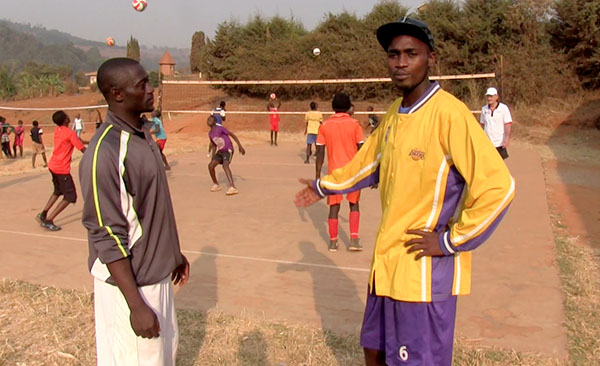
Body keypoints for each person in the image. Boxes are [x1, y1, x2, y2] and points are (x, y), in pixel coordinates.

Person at [295, 17, 515, 366]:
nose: (400, 63)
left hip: (423, 275)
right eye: (393, 54)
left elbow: (499, 186)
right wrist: (324, 186)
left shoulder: (451, 115)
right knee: (374, 352)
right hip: (387, 267)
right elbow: (367, 163)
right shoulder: (396, 113)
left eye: (411, 53)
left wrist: (449, 241)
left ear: (431, 58)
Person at [79, 57, 189, 365]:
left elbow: (150, 208)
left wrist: (172, 253)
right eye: (142, 85)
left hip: (156, 277)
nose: (151, 90)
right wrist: (135, 305)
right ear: (117, 94)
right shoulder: (105, 153)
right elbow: (106, 233)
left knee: (162, 358)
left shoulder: (142, 134)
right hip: (131, 286)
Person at [315, 93, 364, 252]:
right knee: (354, 204)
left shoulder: (325, 125)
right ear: (349, 106)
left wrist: (317, 176)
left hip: (334, 172)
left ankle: (333, 241)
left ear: (333, 107)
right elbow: (362, 149)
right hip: (352, 172)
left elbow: (320, 151)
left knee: (334, 207)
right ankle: (354, 239)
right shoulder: (355, 124)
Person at [36, 110, 87, 231]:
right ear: (65, 120)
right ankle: (49, 220)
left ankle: (43, 213)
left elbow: (77, 140)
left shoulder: (58, 131)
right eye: (67, 115)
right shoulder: (70, 133)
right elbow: (82, 149)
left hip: (53, 165)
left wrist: (91, 142)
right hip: (61, 168)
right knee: (70, 197)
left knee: (58, 191)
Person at [207, 115, 245, 195]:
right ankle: (216, 184)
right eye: (208, 119)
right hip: (220, 151)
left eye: (210, 119)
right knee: (210, 166)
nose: (208, 120)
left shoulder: (220, 128)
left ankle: (233, 187)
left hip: (228, 150)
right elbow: (214, 145)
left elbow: (232, 135)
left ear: (215, 122)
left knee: (225, 165)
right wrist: (213, 156)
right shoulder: (210, 133)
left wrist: (240, 146)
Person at [480, 87, 512, 159]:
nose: (489, 98)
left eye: (491, 96)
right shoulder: (484, 109)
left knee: (500, 164)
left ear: (496, 97)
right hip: (487, 143)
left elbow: (507, 124)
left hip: (499, 142)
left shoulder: (503, 108)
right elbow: (482, 124)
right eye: (488, 96)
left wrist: (507, 138)